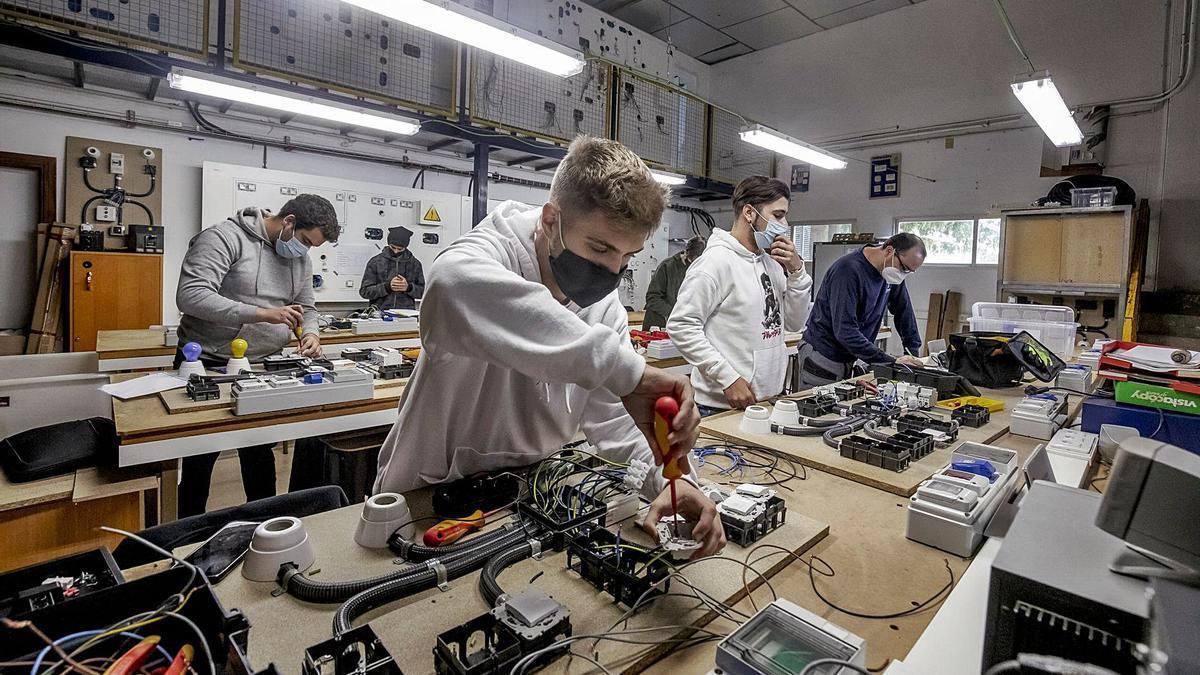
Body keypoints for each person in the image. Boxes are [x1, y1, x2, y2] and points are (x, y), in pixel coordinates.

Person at [373, 136, 724, 557]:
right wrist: (627, 371)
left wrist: (670, 479)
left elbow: (613, 415)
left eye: (628, 257)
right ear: (551, 219)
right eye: (600, 247)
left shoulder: (603, 306)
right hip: (427, 501)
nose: (612, 271)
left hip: (527, 499)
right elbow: (449, 286)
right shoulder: (494, 251)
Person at [175, 194, 339, 516]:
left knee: (260, 456)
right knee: (199, 459)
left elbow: (307, 308)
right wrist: (261, 314)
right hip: (207, 362)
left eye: (312, 247)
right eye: (304, 240)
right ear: (288, 221)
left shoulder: (300, 258)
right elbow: (191, 296)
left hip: (263, 367)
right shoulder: (224, 237)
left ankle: (265, 529)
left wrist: (311, 333)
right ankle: (188, 537)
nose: (305, 251)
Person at [668, 176, 812, 415]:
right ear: (749, 212)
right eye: (777, 215)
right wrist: (727, 378)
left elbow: (795, 323)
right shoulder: (715, 263)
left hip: (767, 400)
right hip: (721, 406)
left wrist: (797, 273)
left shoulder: (773, 265)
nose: (784, 224)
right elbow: (682, 326)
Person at [797, 232, 927, 389]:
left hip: (850, 355)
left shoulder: (892, 274)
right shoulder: (847, 271)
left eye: (909, 272)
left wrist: (912, 354)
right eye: (904, 268)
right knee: (819, 408)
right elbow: (845, 331)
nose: (903, 275)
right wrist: (890, 360)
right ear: (889, 251)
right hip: (824, 355)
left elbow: (904, 313)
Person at [642, 236, 706, 330]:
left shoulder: (701, 269)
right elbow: (652, 297)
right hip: (658, 325)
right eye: (694, 260)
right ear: (687, 252)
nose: (696, 265)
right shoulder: (668, 266)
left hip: (683, 324)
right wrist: (675, 313)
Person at [359, 226, 425, 311]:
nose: (396, 251)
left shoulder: (415, 264)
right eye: (393, 247)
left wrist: (408, 287)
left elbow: (424, 292)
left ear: (405, 247)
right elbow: (364, 291)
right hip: (379, 314)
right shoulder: (375, 262)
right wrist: (387, 287)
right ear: (388, 244)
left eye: (400, 249)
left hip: (406, 316)